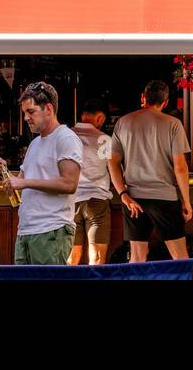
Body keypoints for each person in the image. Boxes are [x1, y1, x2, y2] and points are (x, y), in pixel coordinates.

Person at [0, 80, 83, 265]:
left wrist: (23, 183)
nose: (26, 118)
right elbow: (17, 187)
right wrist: (2, 172)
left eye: (31, 112)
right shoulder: (35, 143)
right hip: (26, 230)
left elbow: (69, 184)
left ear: (48, 109)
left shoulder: (65, 138)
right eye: (25, 113)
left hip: (51, 230)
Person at [107, 79, 192, 262]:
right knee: (180, 256)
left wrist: (123, 194)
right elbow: (180, 167)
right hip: (165, 197)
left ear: (143, 97)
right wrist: (186, 201)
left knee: (137, 257)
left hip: (133, 197)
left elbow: (112, 162)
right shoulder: (173, 124)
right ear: (166, 102)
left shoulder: (124, 122)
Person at [69, 99, 113, 266]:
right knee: (96, 258)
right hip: (97, 201)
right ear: (100, 118)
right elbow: (113, 169)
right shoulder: (103, 139)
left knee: (71, 258)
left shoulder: (66, 136)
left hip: (70, 201)